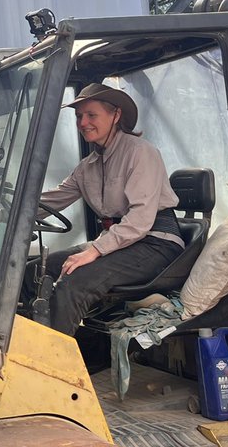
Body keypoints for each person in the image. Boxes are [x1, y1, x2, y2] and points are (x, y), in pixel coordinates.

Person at [38, 83, 185, 335]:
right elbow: (49, 202)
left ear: (115, 115)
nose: (83, 123)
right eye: (78, 116)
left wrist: (94, 250)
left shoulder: (141, 153)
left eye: (91, 115)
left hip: (155, 242)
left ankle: (54, 366)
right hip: (120, 242)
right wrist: (5, 215)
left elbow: (140, 219)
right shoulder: (87, 167)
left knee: (74, 282)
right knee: (38, 270)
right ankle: (39, 348)